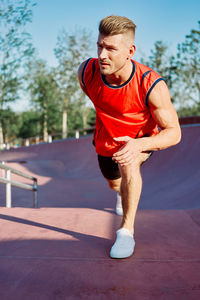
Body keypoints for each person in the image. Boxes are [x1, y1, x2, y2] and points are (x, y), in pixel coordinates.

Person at [78, 15, 181, 259]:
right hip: (106, 139)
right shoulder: (86, 73)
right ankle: (120, 192)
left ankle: (126, 231)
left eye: (111, 49)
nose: (102, 55)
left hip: (139, 138)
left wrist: (141, 144)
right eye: (100, 46)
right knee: (114, 183)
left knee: (130, 163)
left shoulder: (150, 84)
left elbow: (175, 132)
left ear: (130, 51)